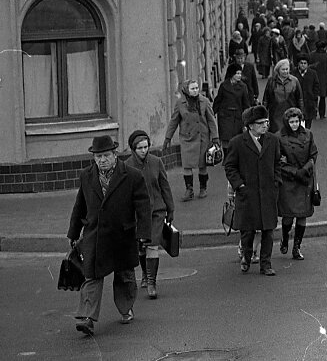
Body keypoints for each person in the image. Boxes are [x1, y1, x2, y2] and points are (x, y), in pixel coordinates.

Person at [68, 135, 152, 336]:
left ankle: (125, 308)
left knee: (124, 275)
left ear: (115, 155)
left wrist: (143, 234)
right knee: (91, 276)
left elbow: (143, 207)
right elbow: (80, 205)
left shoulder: (131, 176)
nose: (101, 160)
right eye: (98, 156)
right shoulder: (87, 176)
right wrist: (73, 232)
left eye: (106, 155)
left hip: (122, 234)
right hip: (94, 235)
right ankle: (86, 318)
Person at [224, 105, 281, 276]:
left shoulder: (272, 141)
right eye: (261, 123)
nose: (265, 125)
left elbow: (277, 163)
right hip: (247, 195)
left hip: (268, 194)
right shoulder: (237, 143)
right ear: (250, 125)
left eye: (266, 122)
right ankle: (246, 257)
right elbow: (230, 167)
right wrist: (239, 185)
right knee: (247, 231)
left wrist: (276, 182)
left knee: (268, 231)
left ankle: (266, 264)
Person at [125, 130, 174, 300]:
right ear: (133, 148)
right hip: (137, 214)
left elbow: (164, 186)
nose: (144, 150)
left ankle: (152, 282)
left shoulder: (156, 162)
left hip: (156, 211)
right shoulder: (126, 166)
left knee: (153, 245)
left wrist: (170, 208)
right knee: (141, 246)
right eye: (140, 148)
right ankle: (145, 275)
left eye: (146, 147)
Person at [163, 80, 219, 201]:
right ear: (186, 90)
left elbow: (211, 120)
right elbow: (174, 121)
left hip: (202, 138)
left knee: (202, 165)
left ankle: (203, 188)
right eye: (192, 88)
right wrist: (168, 138)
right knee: (187, 166)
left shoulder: (204, 101)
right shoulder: (180, 103)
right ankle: (189, 190)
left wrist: (215, 137)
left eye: (197, 88)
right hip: (187, 138)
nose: (195, 90)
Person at [277, 107, 318, 260]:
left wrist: (305, 169)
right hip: (288, 181)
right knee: (288, 216)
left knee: (302, 215)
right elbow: (278, 162)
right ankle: (285, 238)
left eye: (296, 121)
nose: (294, 124)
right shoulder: (279, 137)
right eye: (291, 121)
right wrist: (295, 172)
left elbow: (313, 155)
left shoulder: (308, 134)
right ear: (286, 122)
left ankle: (297, 247)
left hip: (305, 179)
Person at [213, 63, 251, 151]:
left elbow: (246, 104)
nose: (239, 76)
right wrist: (213, 112)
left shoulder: (243, 87)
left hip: (237, 117)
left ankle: (234, 159)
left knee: (236, 139)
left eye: (240, 73)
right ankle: (227, 159)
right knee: (226, 139)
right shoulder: (224, 85)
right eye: (237, 73)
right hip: (225, 116)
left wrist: (248, 119)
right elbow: (218, 100)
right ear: (232, 74)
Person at [262, 59, 303, 133]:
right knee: (277, 135)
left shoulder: (295, 81)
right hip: (275, 114)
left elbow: (299, 99)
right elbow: (266, 99)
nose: (285, 71)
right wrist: (263, 115)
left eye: (287, 69)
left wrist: (301, 114)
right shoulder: (271, 81)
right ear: (278, 70)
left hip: (291, 113)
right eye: (283, 69)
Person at [293, 53, 320, 129]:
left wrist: (314, 96)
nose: (303, 65)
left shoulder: (312, 73)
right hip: (296, 102)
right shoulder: (293, 73)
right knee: (297, 123)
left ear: (308, 64)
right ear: (298, 63)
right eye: (301, 63)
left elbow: (316, 86)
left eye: (305, 63)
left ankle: (306, 138)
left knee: (308, 124)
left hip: (309, 102)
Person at [309, 40, 327, 119]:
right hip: (323, 78)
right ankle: (322, 114)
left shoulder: (312, 55)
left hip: (312, 78)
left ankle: (314, 112)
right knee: (323, 97)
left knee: (313, 96)